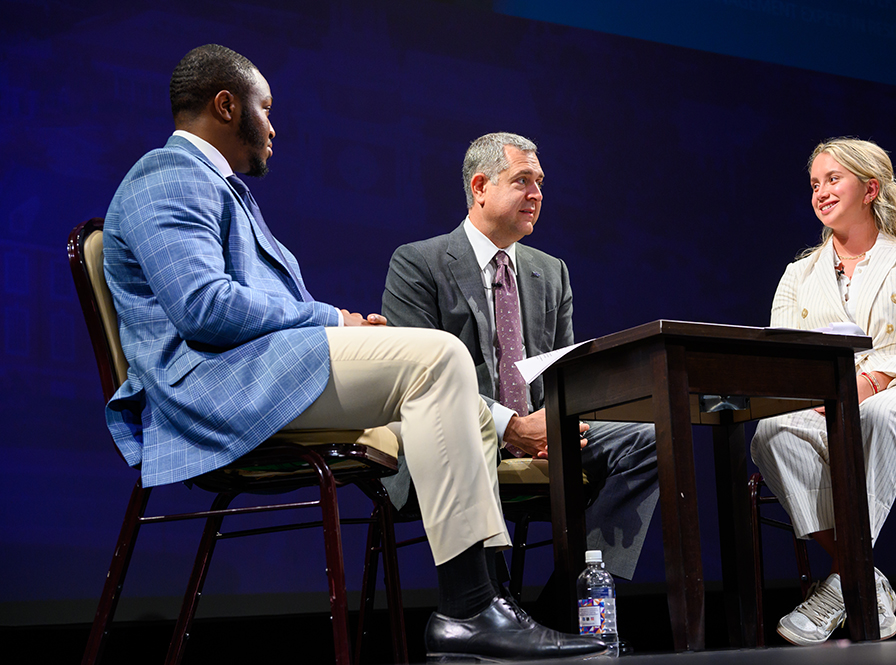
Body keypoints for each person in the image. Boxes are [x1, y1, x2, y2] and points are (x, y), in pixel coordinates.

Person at [102, 45, 606, 661]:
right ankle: (469, 608)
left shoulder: (214, 186)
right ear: (226, 106)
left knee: (468, 410)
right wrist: (330, 319)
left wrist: (337, 327)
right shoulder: (169, 175)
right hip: (215, 386)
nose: (274, 126)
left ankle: (487, 602)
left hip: (262, 371)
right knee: (439, 357)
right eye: (266, 109)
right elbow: (204, 308)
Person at [381, 132, 659, 588]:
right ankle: (492, 604)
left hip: (538, 430)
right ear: (480, 187)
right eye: (522, 181)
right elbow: (418, 382)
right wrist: (510, 426)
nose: (536, 195)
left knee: (649, 438)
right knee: (468, 433)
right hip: (455, 434)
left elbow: (563, 376)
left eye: (540, 182)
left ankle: (576, 597)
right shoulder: (419, 263)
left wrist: (557, 424)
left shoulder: (551, 271)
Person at [750, 138, 896, 646]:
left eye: (833, 179)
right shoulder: (798, 275)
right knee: (770, 430)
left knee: (881, 415)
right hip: (828, 401)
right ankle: (862, 577)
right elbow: (784, 358)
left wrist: (874, 379)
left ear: (869, 188)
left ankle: (841, 586)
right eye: (815, 184)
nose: (821, 192)